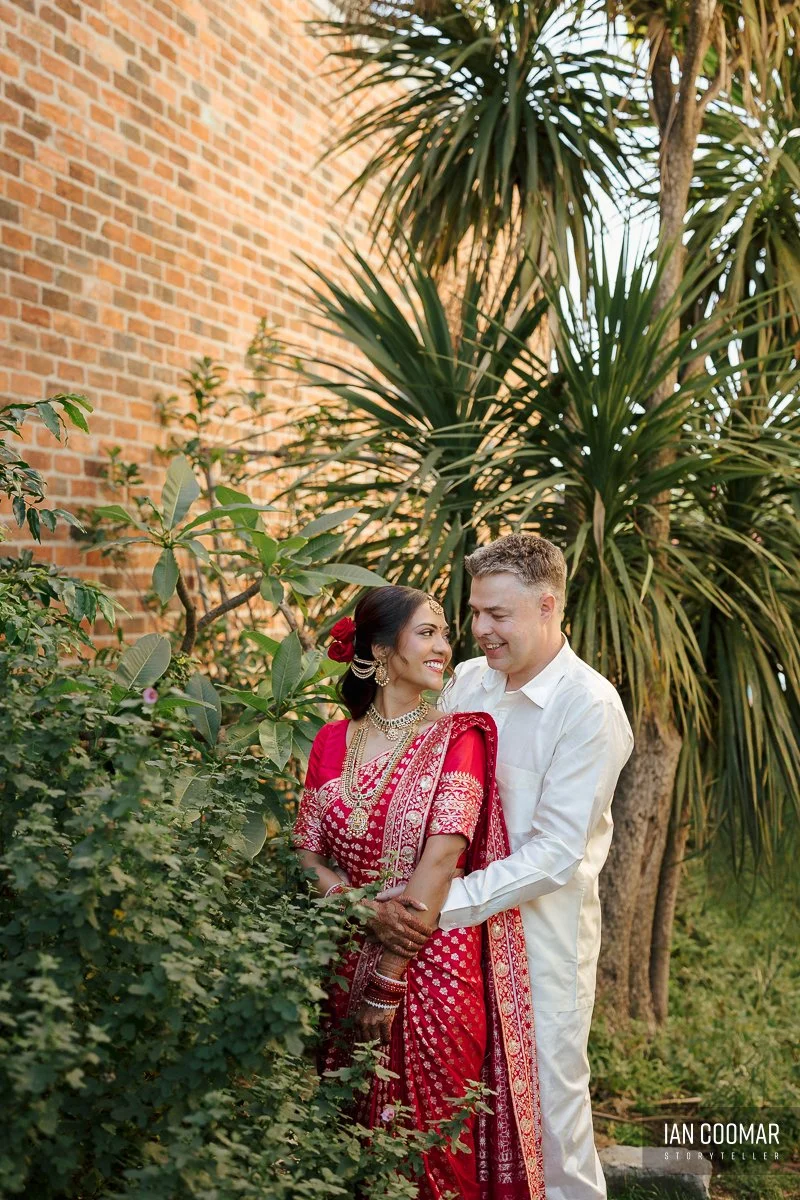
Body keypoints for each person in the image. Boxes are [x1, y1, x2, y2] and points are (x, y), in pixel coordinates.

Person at [382, 535, 634, 1200]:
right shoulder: (467, 681)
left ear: (548, 605)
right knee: (472, 1108)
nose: (481, 631)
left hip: (539, 945)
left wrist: (434, 905)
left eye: (498, 615)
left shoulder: (589, 706)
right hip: (455, 945)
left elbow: (555, 854)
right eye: (475, 613)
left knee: (552, 1122)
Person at [292, 584, 546, 1200]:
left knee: (430, 1150)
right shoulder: (330, 742)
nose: (445, 647)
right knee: (349, 1146)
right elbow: (302, 854)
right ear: (380, 651)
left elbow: (441, 862)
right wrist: (363, 909)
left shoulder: (459, 737)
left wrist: (387, 983)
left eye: (444, 633)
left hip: (431, 971)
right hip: (343, 959)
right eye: (427, 633)